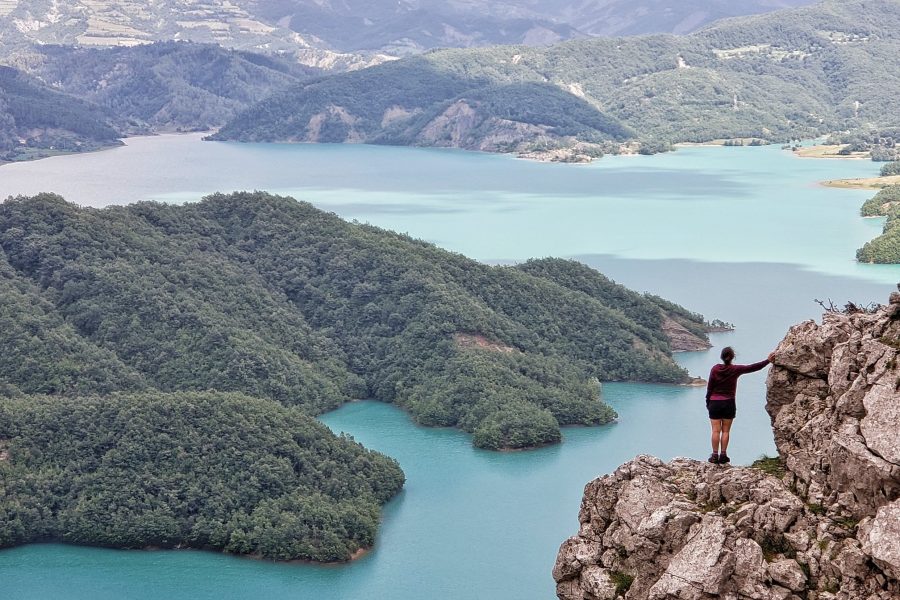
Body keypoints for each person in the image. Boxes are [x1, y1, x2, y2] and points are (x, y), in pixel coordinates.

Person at [705, 346, 775, 464]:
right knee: (726, 431)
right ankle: (723, 455)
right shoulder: (735, 369)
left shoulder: (715, 369)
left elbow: (709, 388)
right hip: (729, 403)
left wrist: (708, 402)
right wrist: (768, 360)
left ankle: (714, 456)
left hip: (714, 403)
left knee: (715, 431)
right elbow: (752, 367)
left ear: (721, 357)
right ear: (733, 357)